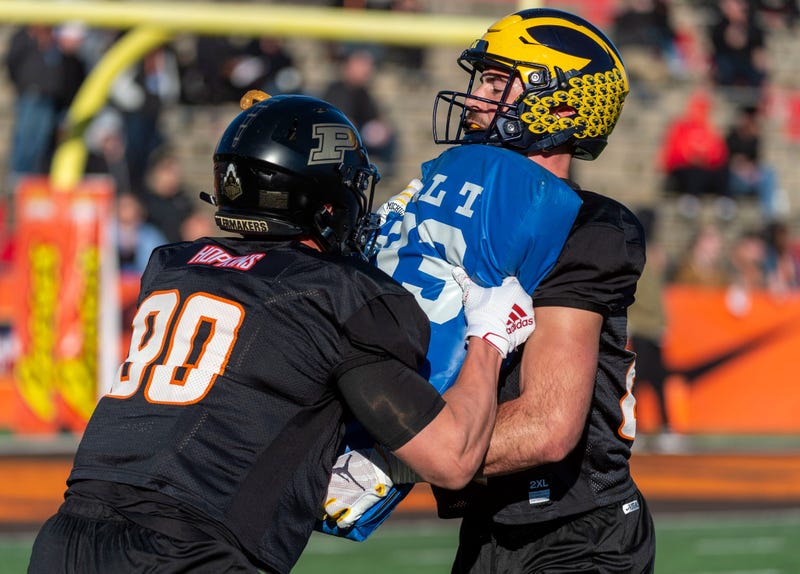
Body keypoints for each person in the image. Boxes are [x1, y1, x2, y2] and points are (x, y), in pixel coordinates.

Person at [27, 93, 536, 574]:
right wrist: (490, 336)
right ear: (325, 201)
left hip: (66, 538)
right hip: (187, 548)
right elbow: (451, 459)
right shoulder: (335, 293)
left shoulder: (173, 266)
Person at [323, 8, 655, 573]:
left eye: (498, 83)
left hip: (575, 536)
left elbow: (546, 426)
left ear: (563, 105)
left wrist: (393, 458)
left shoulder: (585, 228)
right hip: (487, 524)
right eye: (481, 80)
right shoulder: (448, 198)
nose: (476, 98)